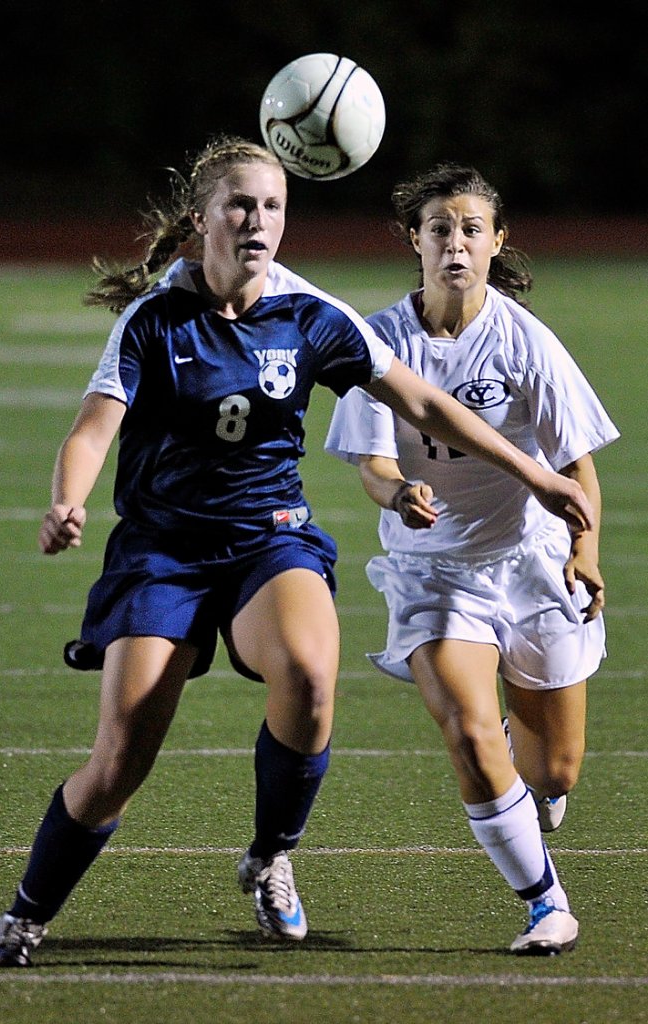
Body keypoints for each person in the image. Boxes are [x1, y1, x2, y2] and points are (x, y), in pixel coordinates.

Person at [0, 139, 596, 968]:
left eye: (271, 206)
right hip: (163, 551)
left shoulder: (310, 315)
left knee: (308, 676)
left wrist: (535, 475)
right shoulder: (156, 318)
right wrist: (68, 498)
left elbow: (424, 402)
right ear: (203, 222)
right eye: (240, 206)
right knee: (121, 757)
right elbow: (94, 425)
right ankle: (27, 912)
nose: (257, 220)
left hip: (269, 538)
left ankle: (272, 855)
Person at [325, 162, 619, 955]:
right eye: (438, 229)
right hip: (434, 571)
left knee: (554, 770)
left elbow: (575, 463)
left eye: (470, 229)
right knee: (465, 724)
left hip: (530, 561)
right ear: (411, 242)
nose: (454, 243)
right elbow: (373, 465)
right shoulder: (378, 341)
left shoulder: (526, 341)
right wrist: (397, 498)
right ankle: (544, 903)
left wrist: (584, 551)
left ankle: (534, 801)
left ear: (497, 243)